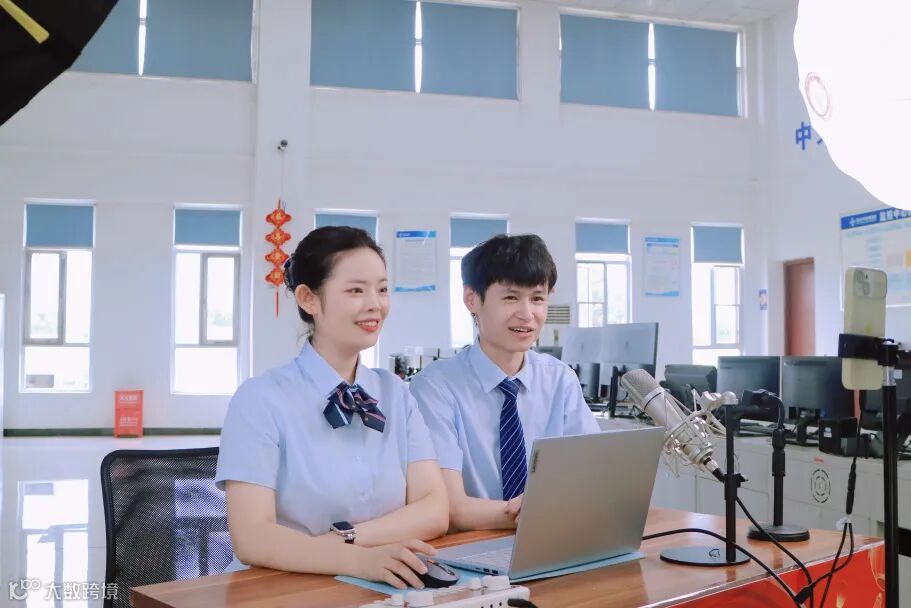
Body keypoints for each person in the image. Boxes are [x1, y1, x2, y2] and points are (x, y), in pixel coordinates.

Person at [216, 226, 448, 589]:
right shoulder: (259, 399)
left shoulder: (396, 394)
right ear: (309, 299)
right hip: (278, 588)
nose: (375, 304)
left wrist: (349, 540)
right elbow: (252, 537)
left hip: (380, 580)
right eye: (356, 290)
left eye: (382, 289)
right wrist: (358, 559)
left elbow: (434, 509)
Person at [410, 234, 600, 531]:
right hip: (475, 545)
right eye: (511, 297)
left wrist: (549, 510)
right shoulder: (435, 387)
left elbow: (594, 479)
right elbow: (452, 508)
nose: (527, 314)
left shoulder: (560, 379)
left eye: (537, 298)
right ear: (472, 299)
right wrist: (540, 511)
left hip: (557, 537)